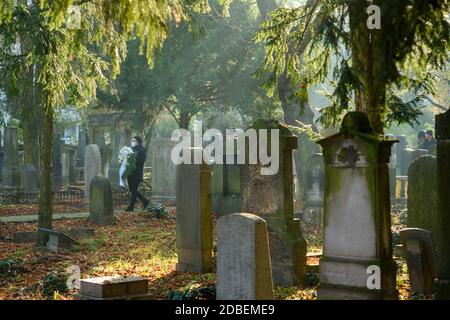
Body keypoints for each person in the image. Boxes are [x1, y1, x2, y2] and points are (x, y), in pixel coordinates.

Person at [126, 136, 149, 211]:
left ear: (138, 141)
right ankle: (145, 201)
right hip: (130, 172)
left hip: (137, 172)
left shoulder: (142, 150)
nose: (132, 142)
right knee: (133, 190)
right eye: (132, 140)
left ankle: (131, 206)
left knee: (133, 189)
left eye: (134, 140)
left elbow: (141, 161)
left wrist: (133, 160)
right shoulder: (131, 149)